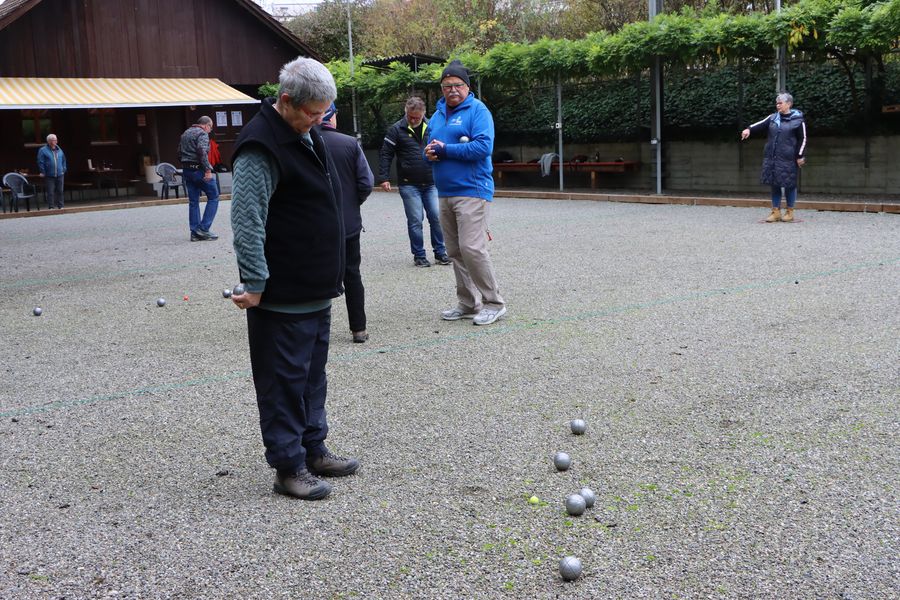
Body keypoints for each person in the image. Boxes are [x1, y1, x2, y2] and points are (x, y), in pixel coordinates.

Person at [230, 56, 359, 501]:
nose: (319, 120)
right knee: (283, 381)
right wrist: (255, 281)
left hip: (314, 288)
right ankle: (288, 467)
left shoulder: (304, 132)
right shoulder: (260, 146)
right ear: (286, 101)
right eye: (313, 113)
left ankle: (313, 448)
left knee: (311, 377)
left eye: (324, 112)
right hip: (281, 294)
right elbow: (247, 219)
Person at [425, 60, 507, 326]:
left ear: (467, 86)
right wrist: (429, 154)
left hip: (472, 190)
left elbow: (483, 147)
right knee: (454, 250)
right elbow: (431, 147)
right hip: (445, 190)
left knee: (472, 247)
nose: (452, 90)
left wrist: (446, 150)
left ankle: (494, 303)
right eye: (447, 86)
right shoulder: (436, 116)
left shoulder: (477, 110)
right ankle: (469, 303)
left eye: (457, 85)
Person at [318, 103, 375, 344]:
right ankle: (358, 329)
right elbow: (366, 182)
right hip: (347, 222)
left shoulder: (298, 142)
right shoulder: (349, 144)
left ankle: (316, 331)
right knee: (352, 274)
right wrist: (352, 204)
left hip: (313, 225)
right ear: (331, 117)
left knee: (315, 275)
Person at [378, 97, 451, 268]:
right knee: (415, 220)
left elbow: (443, 148)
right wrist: (384, 177)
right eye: (410, 117)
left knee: (436, 217)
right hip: (408, 183)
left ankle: (440, 253)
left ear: (423, 114)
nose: (413, 120)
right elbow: (386, 154)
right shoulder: (396, 129)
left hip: (431, 181)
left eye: (416, 117)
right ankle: (419, 255)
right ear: (406, 112)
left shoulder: (432, 126)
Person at [741, 92, 807, 223]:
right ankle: (775, 212)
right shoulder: (773, 118)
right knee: (774, 184)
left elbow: (803, 138)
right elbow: (759, 124)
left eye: (780, 103)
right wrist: (748, 129)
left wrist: (799, 155)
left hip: (789, 158)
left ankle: (789, 212)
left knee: (789, 184)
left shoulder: (798, 120)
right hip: (772, 157)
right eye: (777, 103)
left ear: (789, 104)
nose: (778, 105)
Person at [178, 116, 220, 241]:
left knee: (193, 201)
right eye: (210, 128)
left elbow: (179, 152)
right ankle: (204, 229)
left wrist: (186, 165)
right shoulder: (202, 134)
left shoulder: (185, 133)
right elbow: (202, 151)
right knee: (214, 196)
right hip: (199, 170)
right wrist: (207, 170)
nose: (210, 131)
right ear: (206, 125)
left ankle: (194, 232)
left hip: (187, 170)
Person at [36, 134, 66, 209]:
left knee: (60, 191)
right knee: (50, 192)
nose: (55, 141)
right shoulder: (43, 150)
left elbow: (64, 160)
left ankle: (61, 206)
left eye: (56, 140)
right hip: (49, 175)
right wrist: (43, 171)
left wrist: (63, 169)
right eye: (53, 140)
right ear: (49, 141)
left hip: (60, 174)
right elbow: (40, 162)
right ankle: (51, 207)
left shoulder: (59, 149)